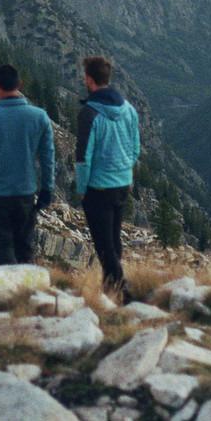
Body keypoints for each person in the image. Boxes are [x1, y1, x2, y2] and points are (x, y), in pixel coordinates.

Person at [0, 62, 55, 265]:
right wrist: (47, 190)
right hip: (26, 195)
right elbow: (47, 157)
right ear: (20, 84)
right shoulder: (39, 117)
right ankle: (26, 292)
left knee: (2, 250)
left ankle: (11, 290)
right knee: (24, 249)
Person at [73, 54, 140, 298]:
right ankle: (110, 289)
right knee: (114, 238)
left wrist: (82, 189)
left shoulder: (89, 114)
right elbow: (135, 148)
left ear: (89, 80)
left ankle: (123, 293)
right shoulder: (128, 109)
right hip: (122, 183)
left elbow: (83, 156)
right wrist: (126, 171)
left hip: (98, 187)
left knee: (104, 245)